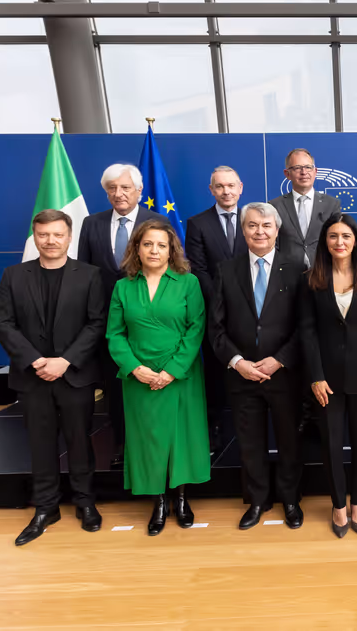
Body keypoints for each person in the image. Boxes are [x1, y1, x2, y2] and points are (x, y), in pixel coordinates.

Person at [0, 210, 106, 546]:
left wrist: (65, 361)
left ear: (69, 237)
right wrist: (37, 361)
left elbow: (96, 324)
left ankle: (85, 502)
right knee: (41, 445)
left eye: (58, 234)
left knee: (79, 442)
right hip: (33, 377)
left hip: (74, 376)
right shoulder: (13, 275)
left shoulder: (90, 275)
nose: (51, 241)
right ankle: (46, 508)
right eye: (44, 235)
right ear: (35, 236)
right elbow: (3, 323)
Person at [107, 219, 209, 535]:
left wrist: (172, 371)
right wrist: (135, 368)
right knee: (147, 439)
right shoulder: (123, 286)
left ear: (171, 250)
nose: (154, 250)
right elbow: (115, 334)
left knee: (180, 438)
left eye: (161, 245)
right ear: (136, 248)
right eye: (148, 244)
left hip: (179, 375)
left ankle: (180, 498)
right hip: (138, 377)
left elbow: (196, 328)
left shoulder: (187, 282)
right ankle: (159, 501)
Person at [208, 203, 306, 530]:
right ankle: (258, 500)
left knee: (289, 441)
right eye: (252, 225)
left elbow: (305, 326)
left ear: (277, 230)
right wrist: (238, 362)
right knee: (249, 444)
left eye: (266, 225)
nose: (259, 231)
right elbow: (216, 328)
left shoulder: (297, 269)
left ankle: (291, 499)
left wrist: (279, 360)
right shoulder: (225, 270)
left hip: (284, 373)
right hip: (242, 374)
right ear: (243, 229)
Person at [78, 164, 168, 468]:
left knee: (153, 385)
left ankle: (156, 445)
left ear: (139, 191)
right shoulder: (92, 223)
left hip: (150, 319)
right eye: (112, 188)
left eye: (125, 187)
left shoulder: (157, 221)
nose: (118, 194)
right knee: (117, 387)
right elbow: (86, 274)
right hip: (108, 323)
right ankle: (122, 444)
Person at [304, 214, 357, 538]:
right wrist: (315, 375)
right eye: (333, 236)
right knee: (331, 445)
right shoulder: (311, 279)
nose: (340, 242)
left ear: (356, 241)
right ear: (325, 241)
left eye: (346, 236)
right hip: (325, 380)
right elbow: (307, 333)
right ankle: (339, 504)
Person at [185, 166, 249, 457]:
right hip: (216, 312)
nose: (226, 191)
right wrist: (222, 303)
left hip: (254, 313)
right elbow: (198, 269)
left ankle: (246, 429)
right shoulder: (198, 223)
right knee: (215, 375)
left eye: (231, 185)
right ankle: (214, 431)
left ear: (240, 188)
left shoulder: (255, 220)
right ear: (211, 190)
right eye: (220, 186)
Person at [268, 148, 341, 269]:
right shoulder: (274, 206)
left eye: (308, 167)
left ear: (315, 171)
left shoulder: (331, 204)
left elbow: (336, 239)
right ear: (287, 174)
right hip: (286, 274)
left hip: (323, 271)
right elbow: (271, 244)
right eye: (297, 168)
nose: (304, 172)